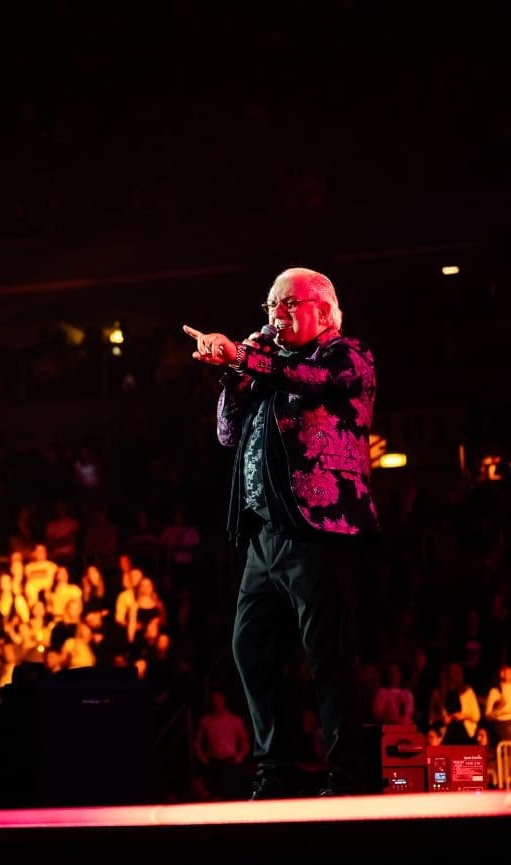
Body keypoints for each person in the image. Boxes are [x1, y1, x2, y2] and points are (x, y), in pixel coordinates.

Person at [183, 267, 380, 798]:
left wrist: (246, 358)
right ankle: (275, 773)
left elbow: (310, 381)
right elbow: (227, 433)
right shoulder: (269, 364)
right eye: (271, 304)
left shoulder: (346, 356)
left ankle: (347, 777)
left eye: (288, 303)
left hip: (320, 530)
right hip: (264, 536)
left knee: (328, 656)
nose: (276, 313)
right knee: (250, 649)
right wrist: (233, 371)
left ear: (323, 309)